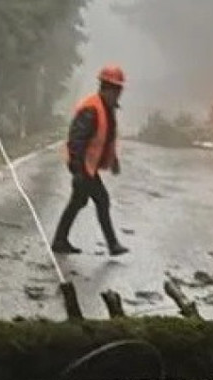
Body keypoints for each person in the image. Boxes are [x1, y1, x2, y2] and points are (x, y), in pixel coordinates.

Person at [51, 65, 129, 256]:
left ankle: (60, 240)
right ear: (106, 88)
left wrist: (113, 160)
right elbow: (76, 140)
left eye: (119, 90)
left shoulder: (107, 108)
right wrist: (78, 170)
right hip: (83, 166)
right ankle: (112, 244)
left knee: (78, 201)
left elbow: (107, 138)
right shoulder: (91, 109)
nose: (118, 94)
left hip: (88, 167)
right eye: (116, 89)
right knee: (102, 200)